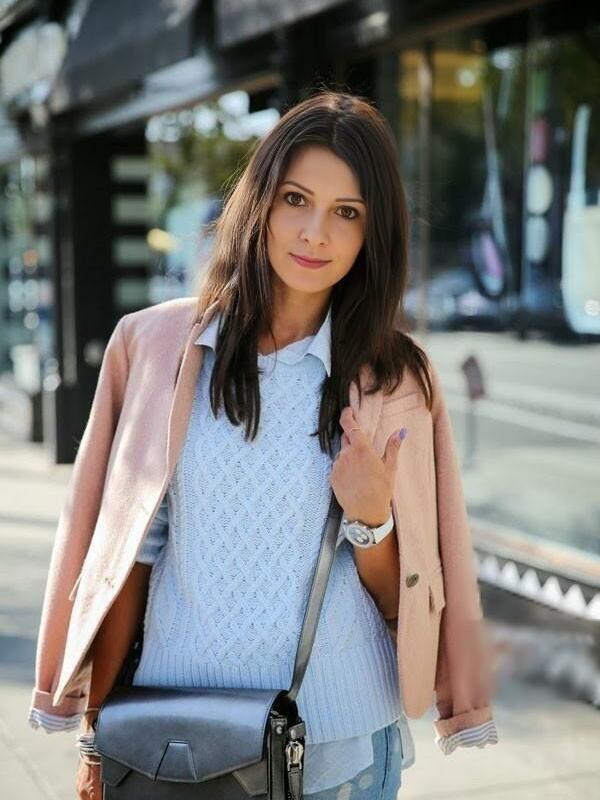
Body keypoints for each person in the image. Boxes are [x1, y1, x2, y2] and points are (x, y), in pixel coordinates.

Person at [28, 89, 498, 800]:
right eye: (295, 200)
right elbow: (131, 556)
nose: (315, 234)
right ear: (260, 203)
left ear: (373, 233)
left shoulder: (395, 377)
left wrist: (373, 519)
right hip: (173, 737)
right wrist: (97, 733)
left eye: (347, 213)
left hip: (338, 752)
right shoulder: (156, 347)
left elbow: (406, 591)